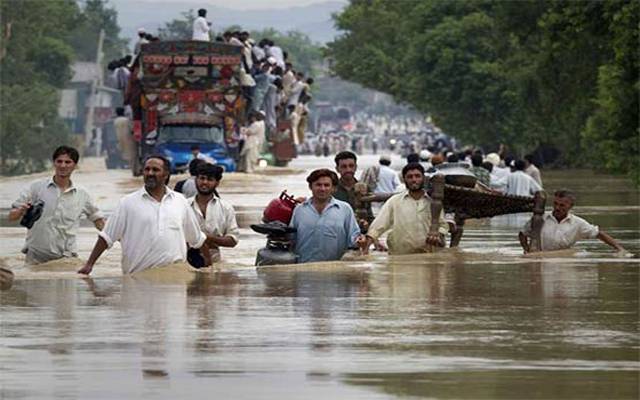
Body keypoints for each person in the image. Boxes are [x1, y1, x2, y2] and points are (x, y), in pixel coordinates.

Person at [78, 156, 207, 275]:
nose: (150, 173)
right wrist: (89, 265)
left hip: (174, 281)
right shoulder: (127, 203)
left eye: (155, 170)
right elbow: (106, 237)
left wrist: (210, 266)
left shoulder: (180, 201)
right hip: (137, 279)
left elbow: (196, 238)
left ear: (166, 174)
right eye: (147, 169)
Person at [9, 146, 105, 265]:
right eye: (59, 161)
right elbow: (11, 216)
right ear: (54, 163)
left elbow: (99, 221)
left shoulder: (83, 194)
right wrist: (20, 211)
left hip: (66, 259)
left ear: (75, 166)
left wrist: (120, 239)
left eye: (67, 162)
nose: (63, 165)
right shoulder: (36, 188)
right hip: (35, 257)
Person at [361, 163, 448, 255]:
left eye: (417, 176)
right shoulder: (394, 202)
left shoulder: (434, 203)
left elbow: (444, 225)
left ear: (423, 178)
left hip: (429, 256)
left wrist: (439, 235)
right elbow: (378, 226)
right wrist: (366, 249)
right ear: (404, 179)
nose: (414, 180)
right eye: (410, 177)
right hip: (400, 257)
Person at [289, 169, 364, 263]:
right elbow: (291, 240)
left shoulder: (345, 209)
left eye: (327, 185)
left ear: (334, 188)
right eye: (318, 185)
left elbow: (354, 238)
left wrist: (362, 240)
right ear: (310, 187)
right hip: (304, 269)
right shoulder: (299, 210)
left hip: (335, 271)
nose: (322, 189)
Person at [519, 189, 627, 254]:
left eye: (562, 205)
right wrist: (526, 249)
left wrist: (620, 249)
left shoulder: (577, 223)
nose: (557, 208)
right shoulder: (540, 219)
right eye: (555, 204)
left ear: (570, 206)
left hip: (562, 259)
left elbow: (599, 234)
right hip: (539, 257)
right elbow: (522, 234)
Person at [188, 164, 239, 264]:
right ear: (195, 180)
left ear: (217, 183)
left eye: (210, 179)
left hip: (214, 262)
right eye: (202, 178)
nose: (205, 182)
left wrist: (207, 238)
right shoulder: (184, 206)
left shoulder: (226, 208)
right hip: (185, 259)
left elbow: (233, 240)